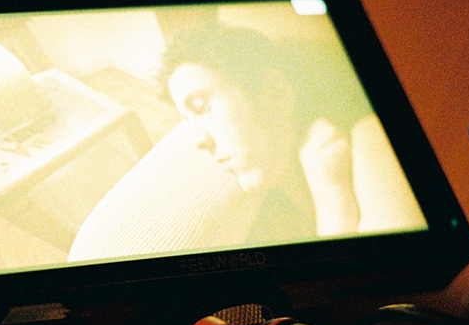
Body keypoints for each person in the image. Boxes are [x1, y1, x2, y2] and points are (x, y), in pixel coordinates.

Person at [160, 23, 427, 243]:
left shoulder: (372, 138)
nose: (198, 140)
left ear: (276, 91)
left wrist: (332, 195)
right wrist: (331, 200)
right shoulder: (270, 220)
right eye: (187, 121)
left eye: (201, 106)